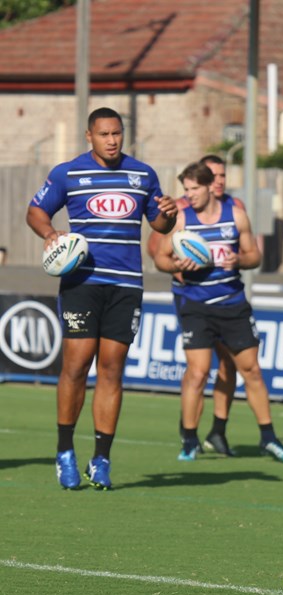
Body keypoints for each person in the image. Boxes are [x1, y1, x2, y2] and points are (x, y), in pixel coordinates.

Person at [27, 107, 178, 490]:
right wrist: (50, 233)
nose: (112, 140)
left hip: (126, 285)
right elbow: (36, 211)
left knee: (111, 369)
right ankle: (64, 451)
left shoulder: (143, 174)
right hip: (82, 282)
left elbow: (159, 224)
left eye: (117, 133)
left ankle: (101, 459)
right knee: (76, 366)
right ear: (89, 136)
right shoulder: (68, 173)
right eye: (104, 134)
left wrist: (169, 215)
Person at [152, 161, 283, 463]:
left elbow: (254, 256)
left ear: (209, 187)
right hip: (196, 306)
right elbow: (160, 258)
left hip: (233, 304)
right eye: (186, 189)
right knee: (198, 372)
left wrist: (238, 260)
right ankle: (189, 440)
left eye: (194, 188)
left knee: (251, 371)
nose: (189, 195)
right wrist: (177, 264)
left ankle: (269, 438)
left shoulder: (236, 215)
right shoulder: (182, 219)